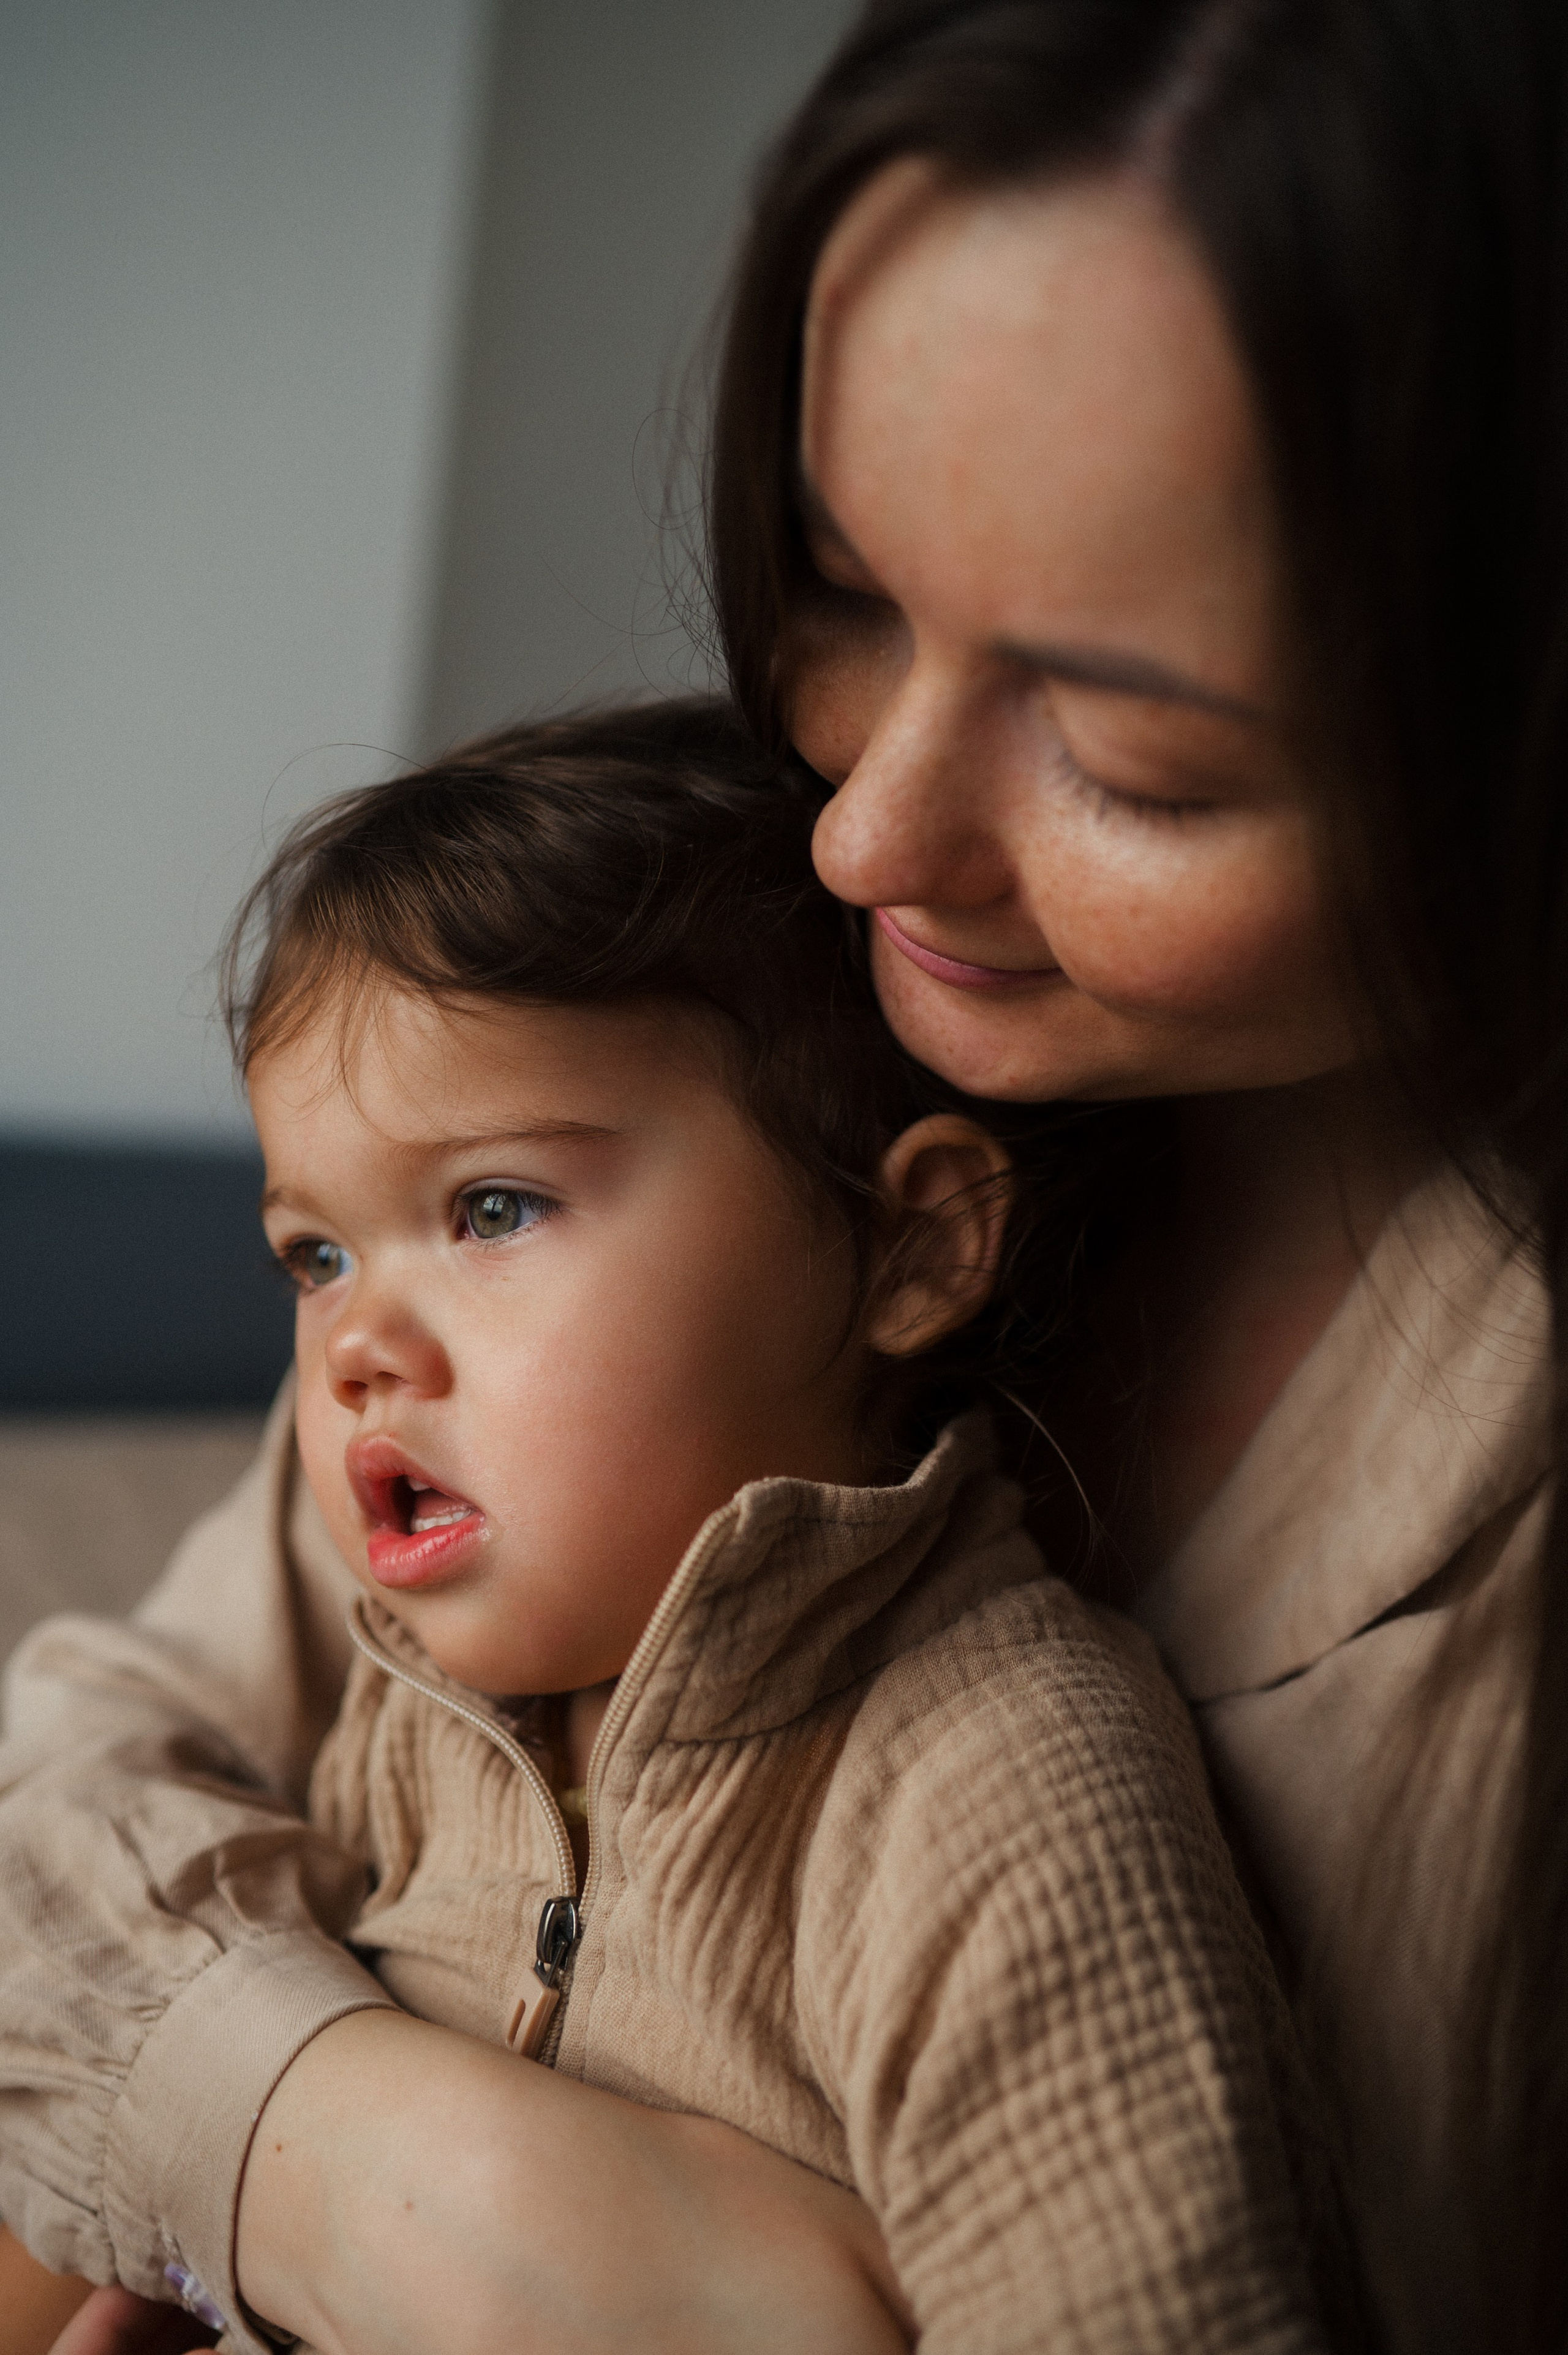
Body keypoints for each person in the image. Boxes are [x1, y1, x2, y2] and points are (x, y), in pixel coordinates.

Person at [1, 1, 1561, 2349]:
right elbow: (76, 1782)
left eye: (1131, 751)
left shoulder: (1006, 1771)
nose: (863, 832)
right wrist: (378, 2175)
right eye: (841, 589)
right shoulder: (694, 1041)